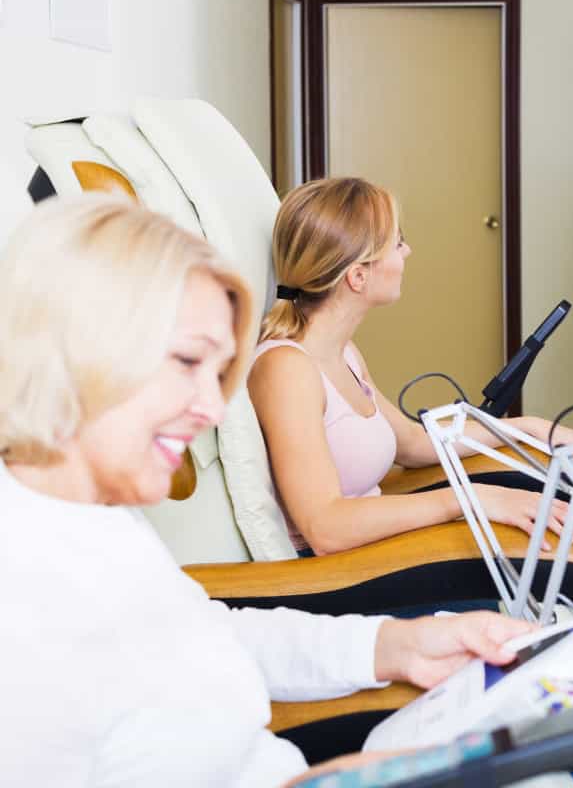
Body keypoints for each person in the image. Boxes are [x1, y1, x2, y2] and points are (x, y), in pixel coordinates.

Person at [0, 194, 535, 786]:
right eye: (186, 361)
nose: (211, 407)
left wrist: (399, 644)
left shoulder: (96, 519)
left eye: (218, 370)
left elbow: (201, 632)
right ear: (78, 351)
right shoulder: (23, 605)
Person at [249, 177, 573, 557]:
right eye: (397, 243)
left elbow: (411, 444)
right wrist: (467, 499)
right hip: (339, 580)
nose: (407, 251)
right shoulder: (287, 370)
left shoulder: (343, 354)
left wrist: (525, 429)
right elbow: (325, 528)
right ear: (358, 276)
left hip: (377, 554)